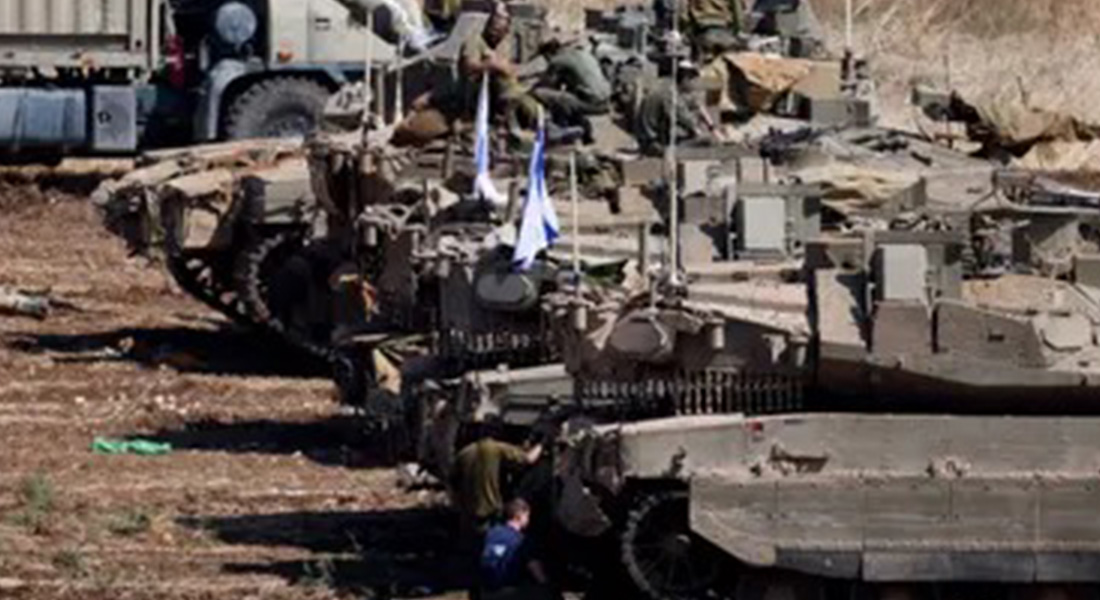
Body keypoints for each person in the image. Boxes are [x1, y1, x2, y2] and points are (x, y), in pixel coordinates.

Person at [451, 432, 543, 541]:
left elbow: (453, 482)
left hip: (468, 514)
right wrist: (542, 444)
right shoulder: (496, 448)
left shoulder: (464, 453)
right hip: (489, 512)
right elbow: (528, 459)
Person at [531, 36, 613, 144]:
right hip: (606, 102)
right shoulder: (582, 53)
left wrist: (530, 89)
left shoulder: (557, 61)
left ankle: (559, 130)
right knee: (566, 98)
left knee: (540, 93)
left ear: (548, 54)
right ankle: (581, 127)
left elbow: (546, 85)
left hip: (591, 102)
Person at [478, 498, 555, 600]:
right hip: (507, 592)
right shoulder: (522, 540)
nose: (528, 520)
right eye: (527, 516)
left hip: (485, 592)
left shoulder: (491, 533)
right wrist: (547, 584)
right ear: (518, 516)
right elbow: (535, 569)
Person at [633, 61, 715, 156]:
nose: (695, 85)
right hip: (652, 142)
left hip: (648, 137)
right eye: (693, 80)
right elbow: (685, 118)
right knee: (706, 141)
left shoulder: (667, 85)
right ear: (685, 79)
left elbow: (693, 105)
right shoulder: (670, 94)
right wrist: (698, 131)